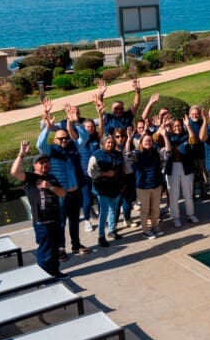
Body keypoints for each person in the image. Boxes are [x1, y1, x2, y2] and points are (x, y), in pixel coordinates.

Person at [36, 102, 90, 258]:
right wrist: (47, 126)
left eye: (65, 138)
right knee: (61, 223)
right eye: (60, 139)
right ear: (55, 141)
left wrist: (75, 122)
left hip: (75, 191)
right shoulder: (51, 150)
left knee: (74, 220)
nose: (64, 141)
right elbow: (40, 144)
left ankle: (76, 245)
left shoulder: (73, 146)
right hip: (61, 194)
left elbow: (84, 137)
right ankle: (60, 248)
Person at [10, 141, 67, 277]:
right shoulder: (30, 178)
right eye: (41, 162)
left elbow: (63, 193)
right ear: (35, 165)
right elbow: (14, 172)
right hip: (42, 222)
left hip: (55, 219)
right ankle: (43, 277)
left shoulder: (51, 178)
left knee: (54, 249)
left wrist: (50, 187)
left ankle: (55, 271)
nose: (45, 164)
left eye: (47, 162)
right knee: (45, 250)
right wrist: (21, 154)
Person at [87, 133, 125, 247]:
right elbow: (90, 172)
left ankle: (112, 230)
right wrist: (105, 174)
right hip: (101, 188)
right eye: (108, 142)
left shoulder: (117, 154)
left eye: (112, 142)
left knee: (114, 209)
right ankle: (101, 236)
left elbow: (122, 169)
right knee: (103, 212)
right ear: (103, 143)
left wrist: (122, 183)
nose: (111, 144)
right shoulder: (96, 155)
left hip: (115, 187)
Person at [164, 117, 199, 225]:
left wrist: (188, 126)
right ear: (171, 128)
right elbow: (156, 138)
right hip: (172, 167)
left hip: (186, 167)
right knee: (173, 194)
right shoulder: (168, 137)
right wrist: (163, 127)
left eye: (179, 125)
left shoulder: (186, 135)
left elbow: (194, 141)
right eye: (175, 126)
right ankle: (176, 217)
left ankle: (190, 214)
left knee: (188, 193)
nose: (177, 128)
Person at [130, 132, 165, 238]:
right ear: (141, 142)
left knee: (155, 208)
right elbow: (128, 155)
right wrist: (129, 139)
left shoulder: (155, 152)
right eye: (146, 141)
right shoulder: (137, 153)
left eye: (150, 141)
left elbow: (164, 158)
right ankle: (145, 230)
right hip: (143, 186)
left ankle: (155, 227)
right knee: (145, 209)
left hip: (156, 185)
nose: (148, 143)